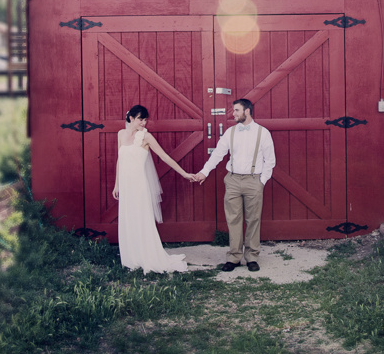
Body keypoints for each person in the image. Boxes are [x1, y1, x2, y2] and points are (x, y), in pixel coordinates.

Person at [112, 105, 196, 274]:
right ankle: (131, 258)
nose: (143, 122)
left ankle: (147, 256)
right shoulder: (121, 134)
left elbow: (164, 157)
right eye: (140, 119)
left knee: (141, 219)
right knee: (128, 219)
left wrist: (184, 173)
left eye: (145, 119)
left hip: (139, 185)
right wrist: (117, 184)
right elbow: (120, 160)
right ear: (131, 118)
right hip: (126, 185)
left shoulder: (146, 137)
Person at [195, 99, 276, 272]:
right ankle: (234, 257)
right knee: (233, 219)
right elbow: (218, 154)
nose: (234, 114)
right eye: (234, 110)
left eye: (237, 110)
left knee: (253, 219)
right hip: (232, 180)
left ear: (247, 111)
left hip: (253, 180)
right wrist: (204, 171)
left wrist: (261, 181)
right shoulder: (230, 132)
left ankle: (252, 257)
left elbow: (270, 161)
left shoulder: (263, 133)